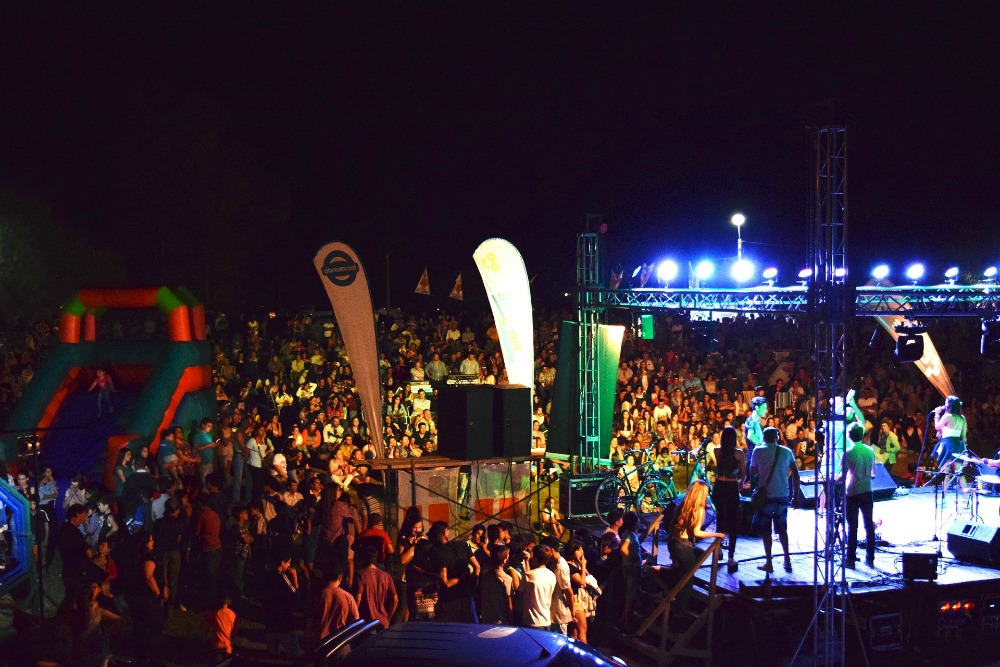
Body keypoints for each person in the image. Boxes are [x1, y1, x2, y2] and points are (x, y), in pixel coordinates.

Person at [665, 480, 725, 618]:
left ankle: (672, 580)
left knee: (699, 554)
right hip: (683, 545)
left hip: (674, 542)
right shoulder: (698, 509)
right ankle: (679, 613)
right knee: (688, 580)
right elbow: (697, 532)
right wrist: (717, 534)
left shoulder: (683, 505)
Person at [745, 427, 800, 573]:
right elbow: (795, 473)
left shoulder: (758, 451)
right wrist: (795, 496)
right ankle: (787, 560)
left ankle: (769, 562)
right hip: (783, 495)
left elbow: (754, 472)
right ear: (777, 437)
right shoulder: (786, 451)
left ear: (763, 438)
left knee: (766, 531)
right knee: (782, 529)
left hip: (766, 496)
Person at [839, 423, 877, 569]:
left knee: (852, 526)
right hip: (867, 490)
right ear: (862, 435)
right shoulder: (870, 451)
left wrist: (832, 480)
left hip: (852, 491)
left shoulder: (847, 453)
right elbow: (873, 473)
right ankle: (870, 556)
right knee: (869, 525)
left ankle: (851, 558)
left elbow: (843, 476)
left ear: (848, 436)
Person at [713, 425, 746, 573]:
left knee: (720, 518)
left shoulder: (717, 451)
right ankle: (731, 556)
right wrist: (740, 484)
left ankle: (718, 550)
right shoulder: (739, 453)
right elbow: (744, 473)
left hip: (719, 485)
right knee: (733, 521)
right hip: (732, 486)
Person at [308, 561, 358, 647]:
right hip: (340, 643)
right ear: (340, 577)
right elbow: (355, 620)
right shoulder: (348, 597)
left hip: (321, 644)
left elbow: (310, 620)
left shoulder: (318, 595)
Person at [266, 548, 303, 657]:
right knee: (296, 657)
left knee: (273, 659)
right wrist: (295, 579)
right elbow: (296, 596)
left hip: (270, 625)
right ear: (282, 562)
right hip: (284, 625)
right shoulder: (283, 577)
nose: (289, 565)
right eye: (288, 562)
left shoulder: (267, 576)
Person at [354, 544, 397, 628]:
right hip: (382, 622)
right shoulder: (387, 576)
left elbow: (358, 598)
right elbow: (395, 600)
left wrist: (354, 618)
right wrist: (388, 618)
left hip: (366, 622)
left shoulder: (360, 575)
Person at [933, 395, 969, 495]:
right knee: (960, 474)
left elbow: (937, 427)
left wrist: (936, 414)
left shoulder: (947, 416)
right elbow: (964, 436)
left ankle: (943, 498)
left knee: (945, 473)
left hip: (948, 445)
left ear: (949, 405)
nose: (944, 403)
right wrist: (965, 452)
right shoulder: (962, 418)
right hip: (957, 446)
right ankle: (966, 498)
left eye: (946, 402)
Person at [521, 544, 557, 630]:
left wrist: (526, 561)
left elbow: (519, 593)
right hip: (546, 620)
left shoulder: (528, 575)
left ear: (536, 558)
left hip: (531, 621)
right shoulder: (552, 575)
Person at [479, 543, 513, 625]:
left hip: (486, 619)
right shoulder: (507, 579)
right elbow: (509, 604)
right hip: (501, 621)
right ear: (505, 560)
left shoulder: (485, 576)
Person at [206, 592, 237, 664]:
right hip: (227, 647)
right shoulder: (232, 615)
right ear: (229, 601)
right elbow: (233, 630)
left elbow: (207, 626)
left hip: (217, 645)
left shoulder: (214, 614)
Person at [744, 396, 767, 469]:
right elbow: (750, 436)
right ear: (757, 408)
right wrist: (762, 445)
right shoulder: (751, 420)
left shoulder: (756, 421)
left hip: (757, 455)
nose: (765, 410)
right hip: (753, 456)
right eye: (764, 408)